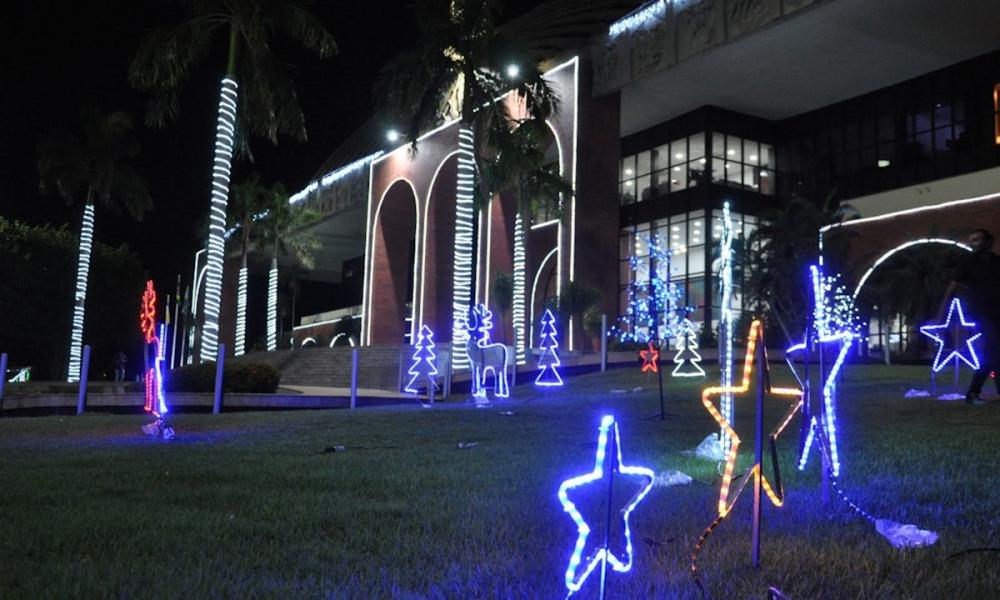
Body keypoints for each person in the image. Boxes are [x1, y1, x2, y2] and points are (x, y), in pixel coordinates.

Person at [937, 229, 1000, 406]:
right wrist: (941, 313)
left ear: (988, 242)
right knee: (996, 350)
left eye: (977, 239)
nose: (973, 243)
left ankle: (972, 393)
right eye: (971, 240)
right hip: (982, 313)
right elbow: (952, 287)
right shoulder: (967, 262)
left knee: (990, 354)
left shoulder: (997, 262)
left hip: (998, 312)